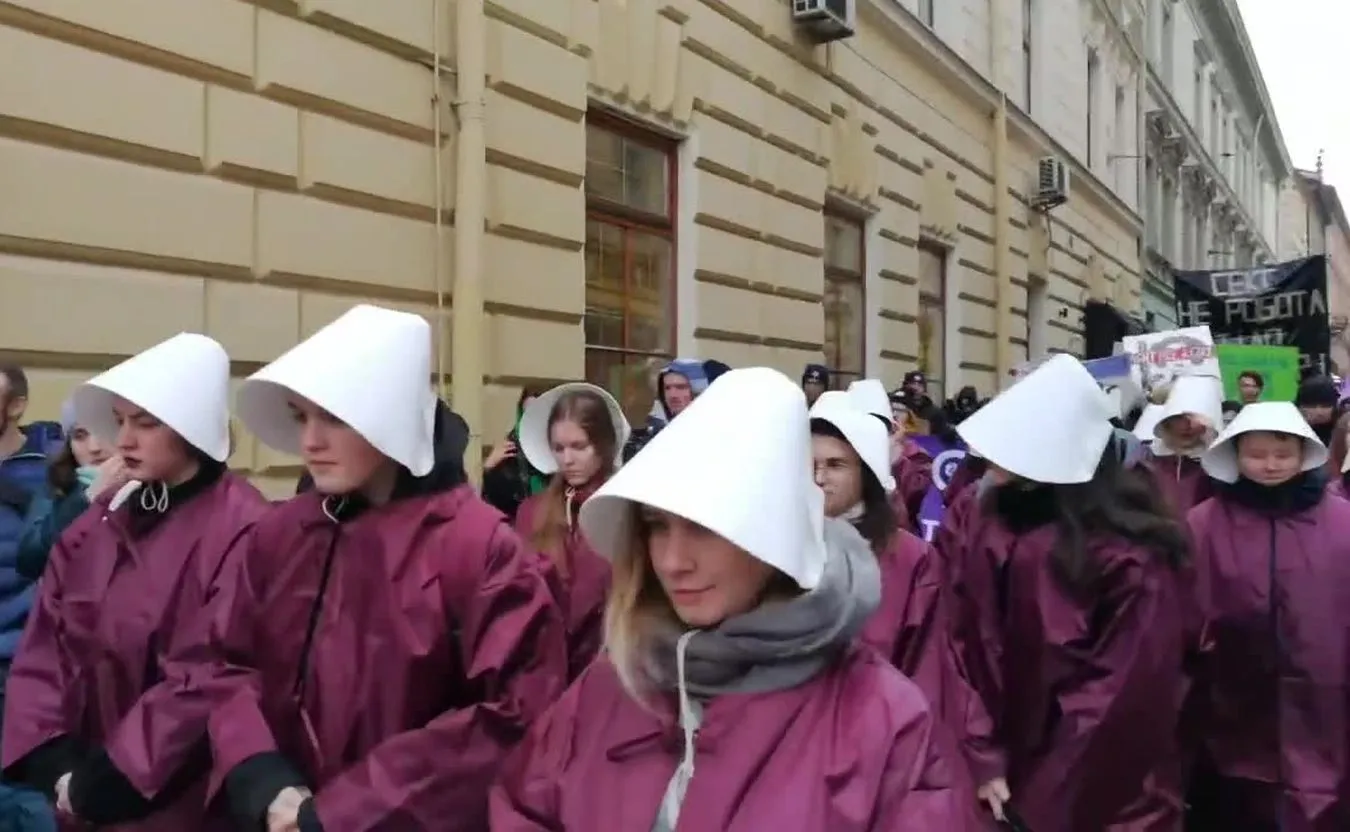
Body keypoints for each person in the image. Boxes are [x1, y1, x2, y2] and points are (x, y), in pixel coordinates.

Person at [490, 367, 973, 830]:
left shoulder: (882, 719)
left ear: (773, 534)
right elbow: (525, 807)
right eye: (656, 526)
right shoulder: (612, 684)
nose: (673, 561)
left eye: (704, 528)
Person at [197, 304, 566, 831]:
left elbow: (514, 714)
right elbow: (227, 660)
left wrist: (340, 814)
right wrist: (258, 771)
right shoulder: (282, 532)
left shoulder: (479, 547)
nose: (310, 442)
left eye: (334, 418)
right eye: (302, 416)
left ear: (389, 416)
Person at [1, 333, 269, 830]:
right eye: (121, 421)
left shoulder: (243, 526)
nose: (123, 440)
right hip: (79, 792)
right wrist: (50, 756)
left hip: (177, 803)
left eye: (146, 424)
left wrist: (113, 778)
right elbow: (47, 640)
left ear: (192, 429)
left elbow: (208, 674)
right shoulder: (106, 515)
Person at [947, 354, 1192, 830]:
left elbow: (1120, 699)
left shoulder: (1131, 554)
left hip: (1105, 800)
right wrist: (981, 758)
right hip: (996, 783)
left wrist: (1039, 805)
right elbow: (957, 645)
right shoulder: (984, 522)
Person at [1185, 402, 1350, 828]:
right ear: (1236, 455)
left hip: (1326, 698)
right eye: (1256, 455)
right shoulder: (1203, 524)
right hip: (1232, 700)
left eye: (1282, 454)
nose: (1270, 465)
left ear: (1303, 454)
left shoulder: (1342, 521)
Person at [514, 382, 629, 681]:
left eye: (579, 447)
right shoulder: (531, 513)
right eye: (559, 448)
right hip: (543, 676)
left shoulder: (627, 510)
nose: (567, 459)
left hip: (611, 676)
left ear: (603, 445)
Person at [1139, 374, 1224, 515]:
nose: (1188, 426)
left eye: (1196, 419)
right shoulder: (1144, 460)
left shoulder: (1219, 466)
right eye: (1179, 418)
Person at [480, 386, 548, 521]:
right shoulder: (507, 451)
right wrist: (489, 469)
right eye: (527, 413)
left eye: (537, 412)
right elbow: (490, 506)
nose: (531, 419)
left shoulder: (560, 450)